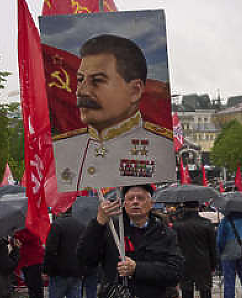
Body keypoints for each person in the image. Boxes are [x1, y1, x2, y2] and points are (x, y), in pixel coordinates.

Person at [53, 34, 176, 191]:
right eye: (80, 80)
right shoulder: (62, 148)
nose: (81, 91)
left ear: (134, 91)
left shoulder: (161, 147)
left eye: (97, 80)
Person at [40, 208, 95, 298]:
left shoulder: (57, 225)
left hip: (58, 274)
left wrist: (45, 270)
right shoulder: (81, 226)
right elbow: (86, 250)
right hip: (76, 274)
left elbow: (50, 250)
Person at [172, 201, 217, 298]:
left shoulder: (177, 226)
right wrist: (213, 265)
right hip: (203, 264)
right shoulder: (207, 224)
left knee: (186, 297)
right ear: (198, 207)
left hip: (185, 265)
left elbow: (174, 248)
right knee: (206, 296)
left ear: (184, 207)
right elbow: (212, 249)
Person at [15, 228, 44, 298]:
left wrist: (17, 234)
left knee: (36, 288)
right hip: (27, 262)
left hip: (34, 262)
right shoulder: (26, 227)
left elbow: (28, 238)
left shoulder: (33, 227)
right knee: (31, 287)